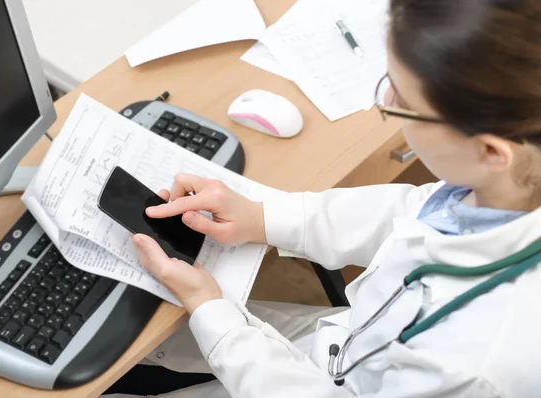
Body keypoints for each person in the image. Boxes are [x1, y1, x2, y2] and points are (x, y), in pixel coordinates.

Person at [111, 0, 541, 396]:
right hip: (347, 345)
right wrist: (262, 217)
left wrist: (212, 314)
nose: (385, 104)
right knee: (161, 331)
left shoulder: (475, 365)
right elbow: (411, 212)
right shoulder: (511, 184)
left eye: (404, 101)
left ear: (490, 152)